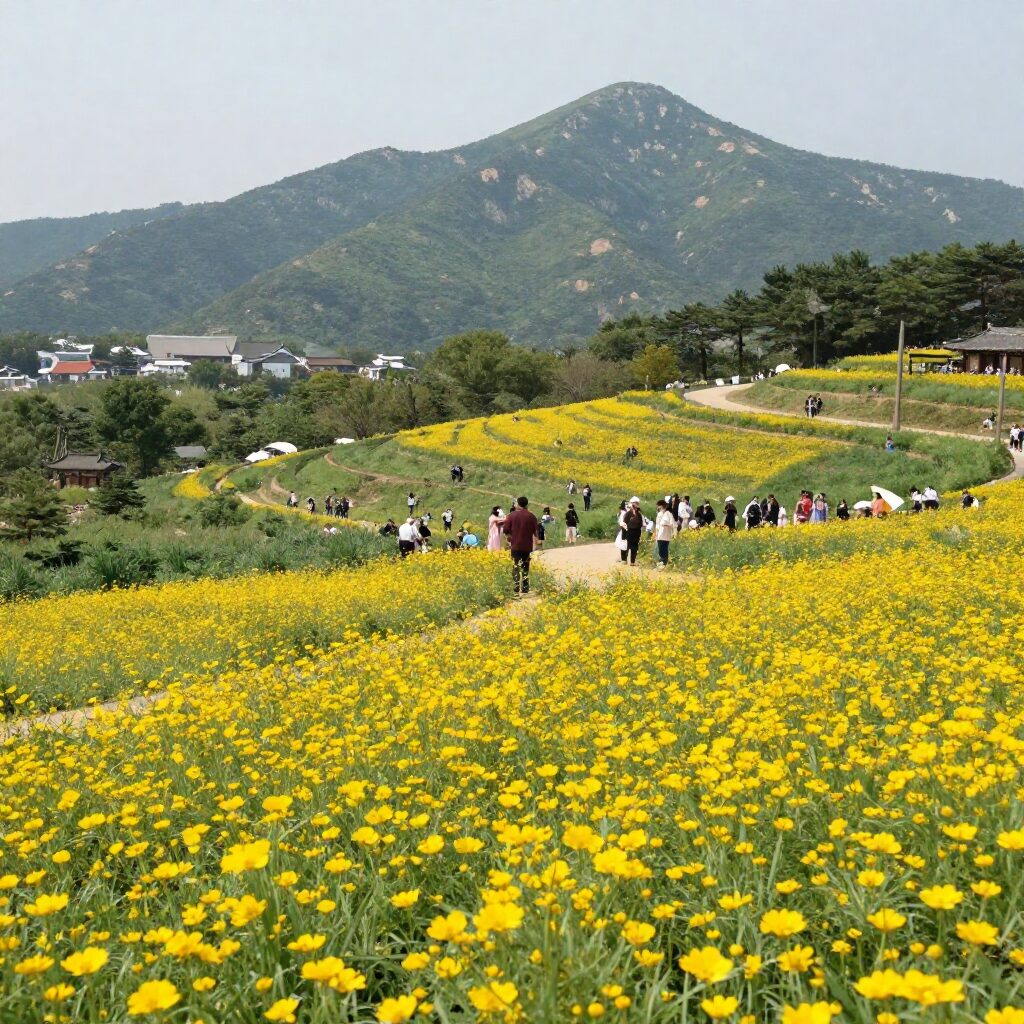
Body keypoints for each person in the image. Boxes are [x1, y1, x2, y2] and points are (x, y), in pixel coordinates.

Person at [503, 496, 539, 596]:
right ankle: (525, 588)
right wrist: (537, 542)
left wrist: (509, 538)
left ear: (518, 504)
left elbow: (505, 530)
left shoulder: (511, 515)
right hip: (527, 546)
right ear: (527, 504)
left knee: (515, 566)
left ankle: (516, 587)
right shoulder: (531, 516)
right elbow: (536, 532)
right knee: (525, 566)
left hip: (515, 545)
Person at [620, 496, 644, 564]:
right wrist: (627, 529)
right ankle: (625, 559)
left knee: (635, 546)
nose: (635, 506)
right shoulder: (628, 513)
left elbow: (641, 523)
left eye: (637, 504)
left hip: (637, 531)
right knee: (628, 545)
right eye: (634, 504)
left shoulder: (639, 514)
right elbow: (624, 522)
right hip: (630, 531)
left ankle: (632, 561)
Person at [654, 499, 675, 568]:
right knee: (660, 548)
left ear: (662, 506)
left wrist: (667, 525)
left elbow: (672, 524)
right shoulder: (659, 514)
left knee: (664, 548)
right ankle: (661, 562)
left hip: (666, 534)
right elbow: (657, 524)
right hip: (659, 534)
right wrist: (656, 533)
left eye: (658, 506)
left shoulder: (668, 514)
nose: (658, 508)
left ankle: (664, 563)